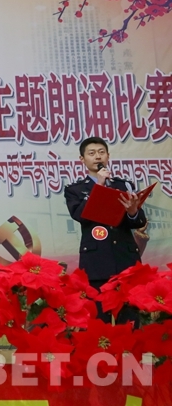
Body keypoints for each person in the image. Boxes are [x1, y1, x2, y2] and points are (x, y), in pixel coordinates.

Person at [64, 137, 146, 323]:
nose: (97, 157)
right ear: (82, 159)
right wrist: (98, 186)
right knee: (99, 319)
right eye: (91, 153)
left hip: (125, 259)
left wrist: (132, 212)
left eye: (101, 152)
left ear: (108, 156)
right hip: (96, 261)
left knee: (130, 319)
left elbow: (139, 220)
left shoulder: (123, 185)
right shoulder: (75, 189)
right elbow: (80, 215)